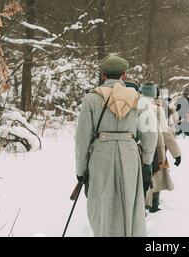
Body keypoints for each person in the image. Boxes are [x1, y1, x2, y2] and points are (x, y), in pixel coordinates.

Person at [75, 53, 158, 237]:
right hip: (129, 155)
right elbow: (151, 134)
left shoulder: (91, 99)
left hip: (101, 156)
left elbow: (82, 138)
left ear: (103, 75)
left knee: (102, 205)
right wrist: (147, 161)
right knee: (129, 204)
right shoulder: (139, 99)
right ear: (124, 75)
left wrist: (80, 170)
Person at [140, 82, 182, 213]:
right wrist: (177, 153)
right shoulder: (157, 110)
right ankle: (153, 205)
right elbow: (166, 133)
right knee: (157, 176)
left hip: (138, 149)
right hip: (157, 150)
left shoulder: (135, 107)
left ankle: (141, 206)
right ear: (154, 94)